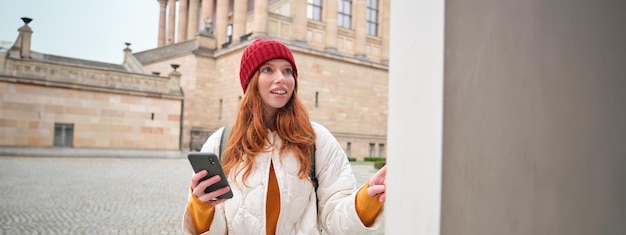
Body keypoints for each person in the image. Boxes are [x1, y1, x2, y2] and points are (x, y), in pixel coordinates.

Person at [182, 38, 387, 235]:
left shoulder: (316, 140)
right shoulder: (221, 142)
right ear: (251, 81)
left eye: (287, 70)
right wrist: (202, 207)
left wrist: (366, 200)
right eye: (268, 69)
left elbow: (336, 218)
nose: (281, 78)